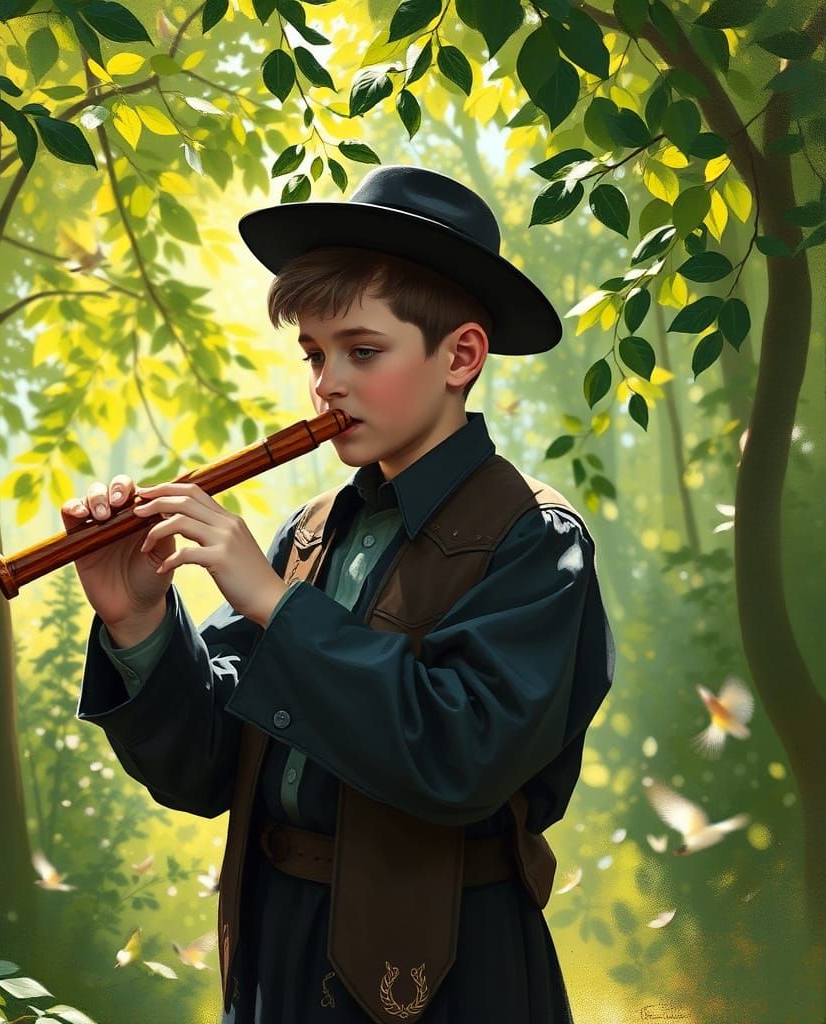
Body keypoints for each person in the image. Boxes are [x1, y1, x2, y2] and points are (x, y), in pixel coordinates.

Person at [66, 164, 616, 1023]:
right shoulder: (312, 532)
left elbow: (459, 755)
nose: (327, 383)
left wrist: (277, 607)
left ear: (461, 356)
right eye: (315, 355)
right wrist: (136, 619)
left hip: (451, 962)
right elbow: (208, 767)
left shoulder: (536, 542)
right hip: (278, 943)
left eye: (363, 351)